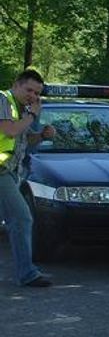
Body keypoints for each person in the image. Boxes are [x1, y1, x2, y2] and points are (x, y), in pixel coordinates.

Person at [0, 67, 56, 287]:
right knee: (22, 218)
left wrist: (41, 135)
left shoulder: (23, 110)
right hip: (1, 172)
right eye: (29, 90)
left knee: (16, 220)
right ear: (16, 84)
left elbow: (24, 140)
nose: (32, 96)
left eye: (36, 94)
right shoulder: (3, 100)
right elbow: (9, 131)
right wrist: (32, 115)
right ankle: (28, 274)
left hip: (12, 173)